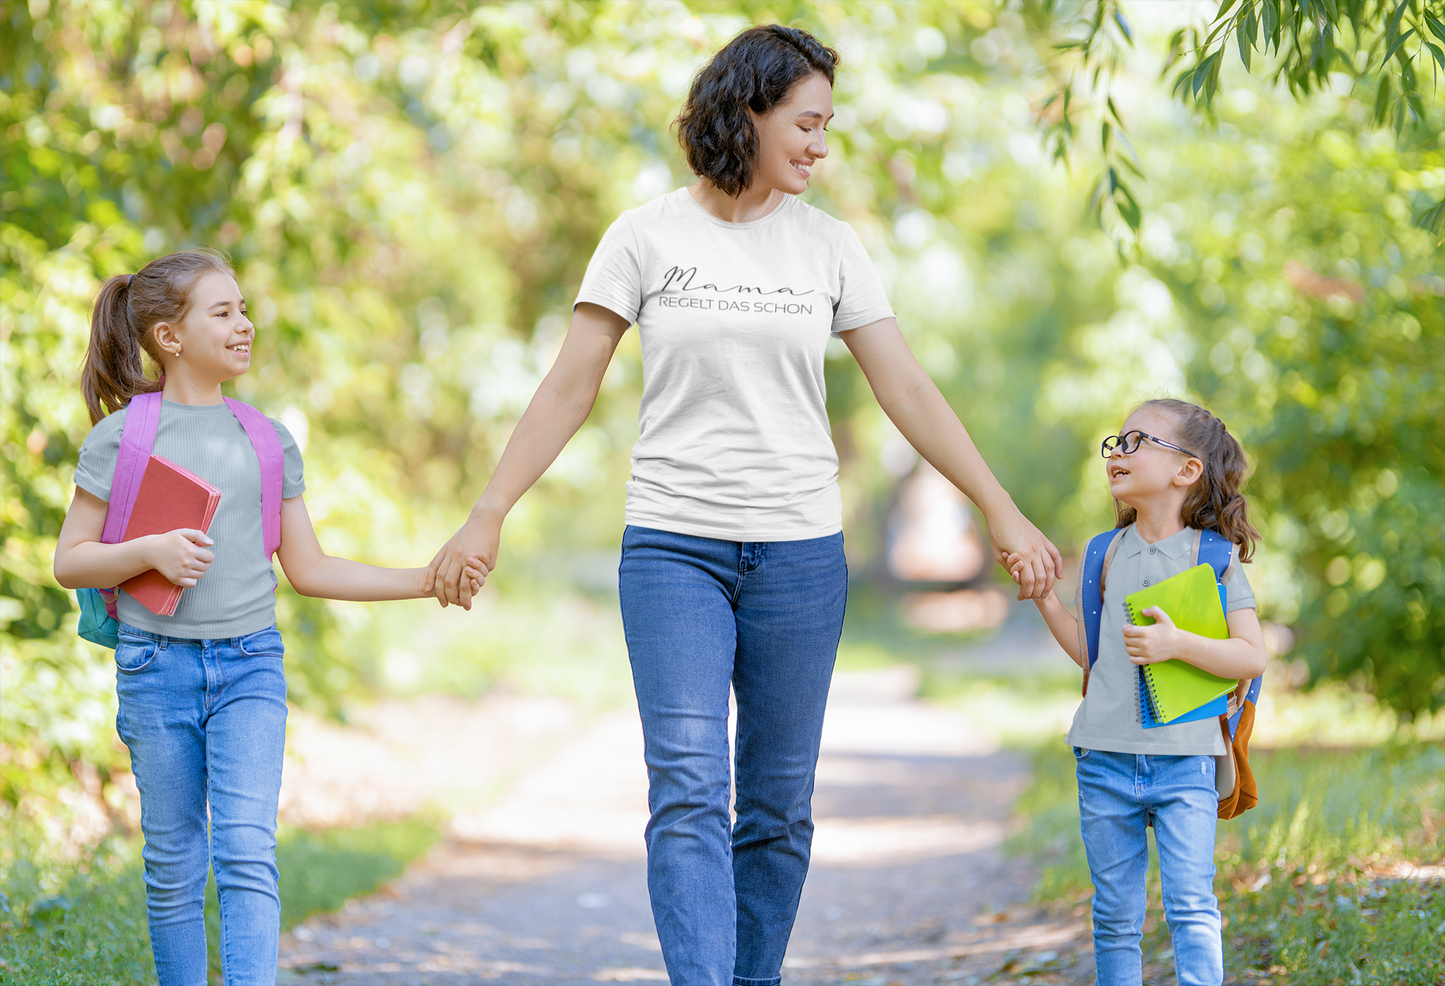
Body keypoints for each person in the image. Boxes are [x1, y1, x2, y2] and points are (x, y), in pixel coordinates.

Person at [427, 25, 1061, 986]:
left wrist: (999, 509)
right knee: (686, 791)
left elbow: (909, 391)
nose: (819, 146)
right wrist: (490, 510)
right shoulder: (643, 236)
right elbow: (568, 386)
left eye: (827, 128)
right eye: (805, 124)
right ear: (747, 113)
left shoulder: (830, 246)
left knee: (775, 807)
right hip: (673, 547)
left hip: (800, 556)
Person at [52, 250, 474, 986]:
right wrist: (146, 550)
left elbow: (309, 569)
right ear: (168, 338)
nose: (245, 325)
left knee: (246, 849)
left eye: (243, 309)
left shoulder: (265, 439)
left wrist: (424, 581)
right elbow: (71, 561)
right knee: (174, 862)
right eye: (224, 313)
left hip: (250, 664)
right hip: (156, 666)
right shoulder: (121, 437)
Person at [1014, 398, 1268, 986]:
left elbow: (1250, 657)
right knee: (1114, 916)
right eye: (1116, 442)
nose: (1117, 453)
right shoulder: (1103, 553)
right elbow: (1091, 652)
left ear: (1186, 471)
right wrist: (1046, 598)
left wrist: (1178, 645)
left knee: (1191, 907)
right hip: (1103, 757)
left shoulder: (1214, 558)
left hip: (1186, 760)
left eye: (1137, 442)